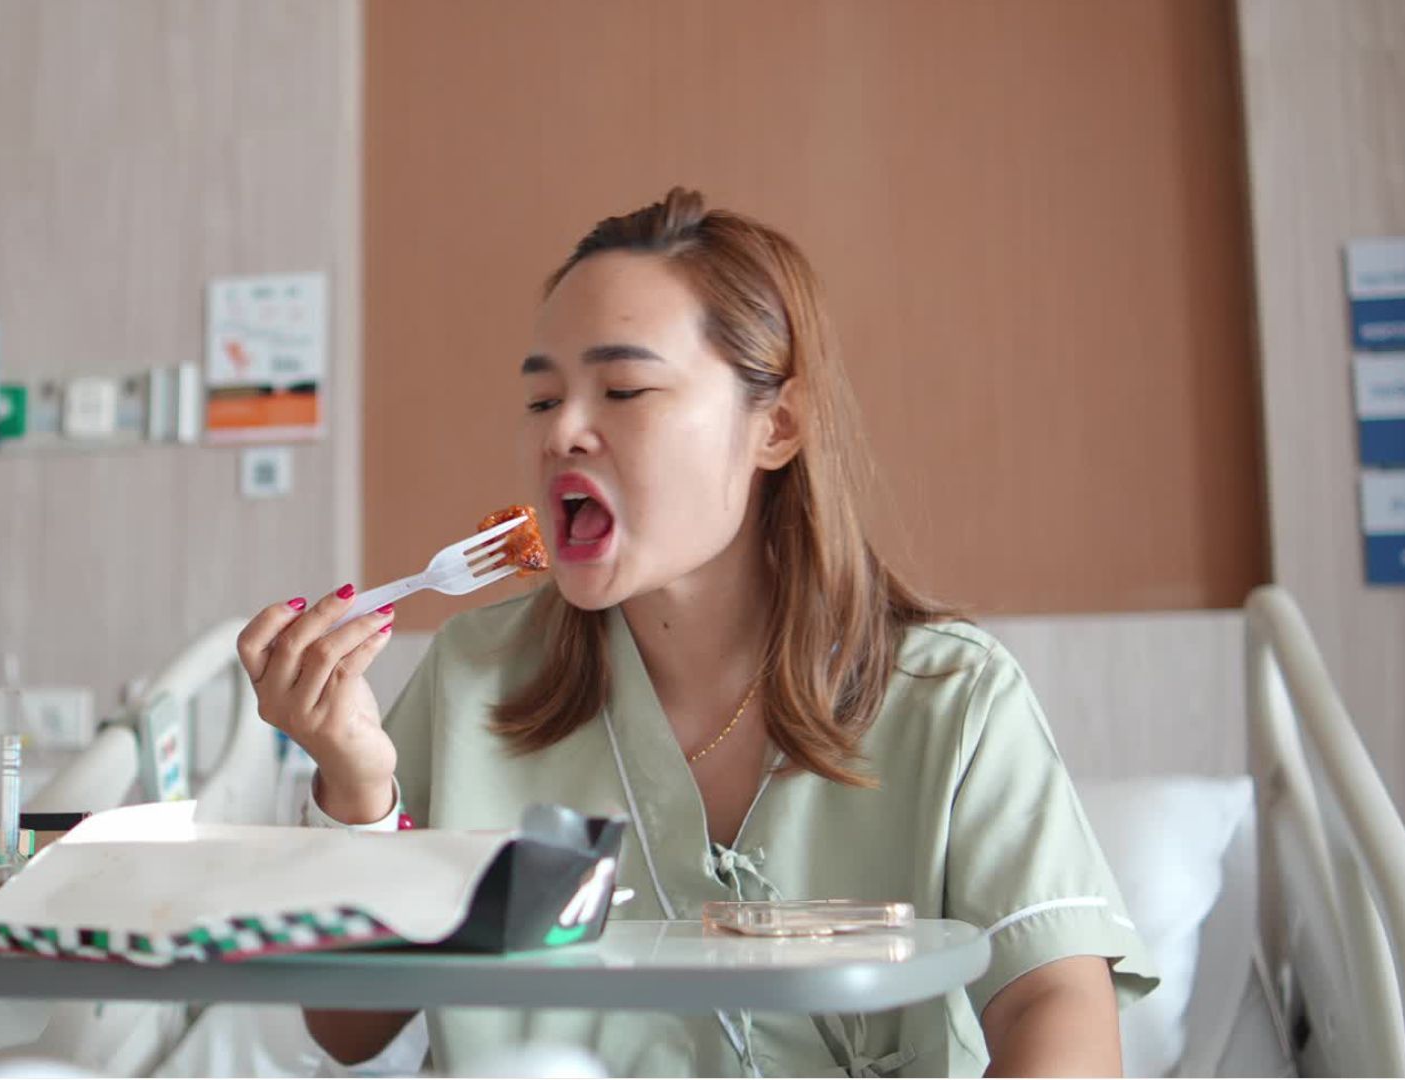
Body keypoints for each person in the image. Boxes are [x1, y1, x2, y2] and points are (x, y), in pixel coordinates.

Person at [237, 188, 1155, 1077]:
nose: (564, 433)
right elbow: (348, 1031)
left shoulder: (949, 699)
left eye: (624, 388)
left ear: (776, 427)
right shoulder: (473, 677)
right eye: (543, 400)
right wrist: (355, 786)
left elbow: (1055, 1005)